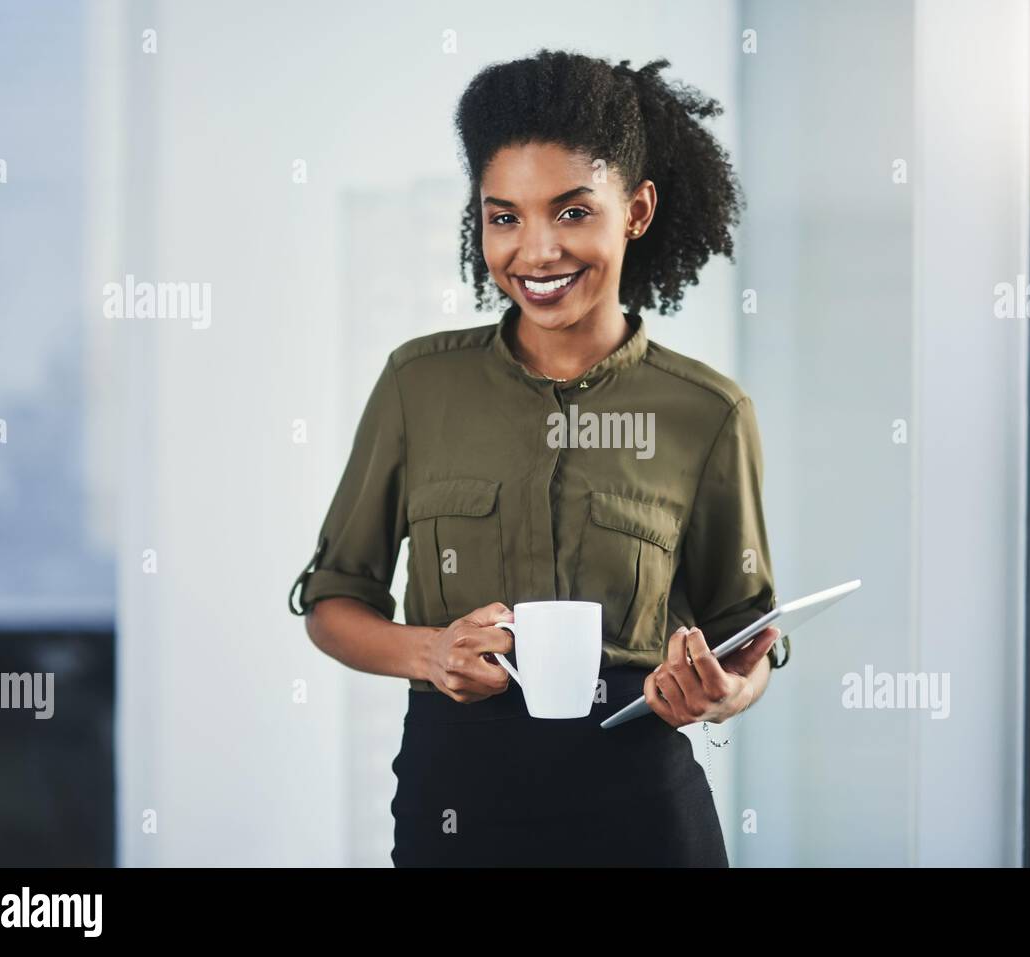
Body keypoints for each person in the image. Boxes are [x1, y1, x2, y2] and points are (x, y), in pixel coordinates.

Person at [288, 49, 789, 867]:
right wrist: (430, 651)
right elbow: (333, 601)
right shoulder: (419, 384)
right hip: (456, 813)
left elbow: (748, 637)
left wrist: (725, 691)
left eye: (572, 211)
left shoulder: (709, 414)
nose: (536, 252)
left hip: (644, 819)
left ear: (635, 209)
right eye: (504, 216)